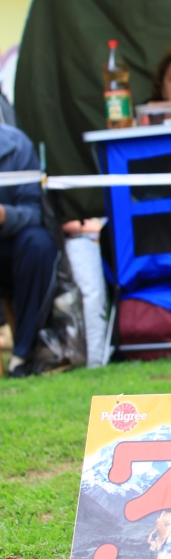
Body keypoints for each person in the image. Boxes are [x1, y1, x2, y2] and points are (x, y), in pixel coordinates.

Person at [0, 124, 58, 378]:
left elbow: (34, 212)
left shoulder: (16, 144)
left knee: (39, 243)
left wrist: (5, 215)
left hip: (9, 247)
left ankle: (22, 354)